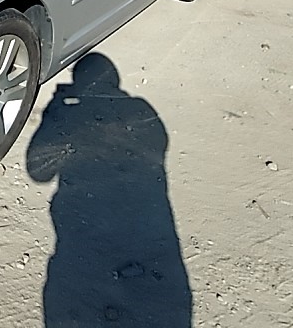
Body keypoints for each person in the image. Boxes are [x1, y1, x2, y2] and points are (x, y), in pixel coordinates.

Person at [26, 53, 193, 327]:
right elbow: (156, 148)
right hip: (150, 230)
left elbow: (39, 171)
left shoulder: (71, 113)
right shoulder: (142, 110)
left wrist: (54, 113)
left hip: (81, 243)